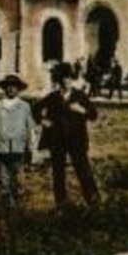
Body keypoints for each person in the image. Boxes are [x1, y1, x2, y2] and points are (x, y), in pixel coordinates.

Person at [34, 62, 100, 206]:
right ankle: (61, 203)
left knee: (83, 169)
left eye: (69, 78)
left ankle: (93, 200)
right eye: (63, 78)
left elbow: (94, 115)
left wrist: (81, 110)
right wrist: (43, 121)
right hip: (57, 140)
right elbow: (35, 109)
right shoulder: (53, 97)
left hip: (76, 139)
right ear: (59, 81)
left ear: (73, 79)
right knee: (58, 172)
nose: (67, 81)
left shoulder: (80, 96)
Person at [0, 74, 37, 214]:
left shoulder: (24, 106)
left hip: (19, 149)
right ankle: (5, 210)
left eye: (14, 87)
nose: (10, 89)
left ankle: (19, 210)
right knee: (3, 181)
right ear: (4, 88)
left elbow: (30, 128)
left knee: (19, 180)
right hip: (2, 149)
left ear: (19, 89)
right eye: (8, 86)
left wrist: (31, 147)